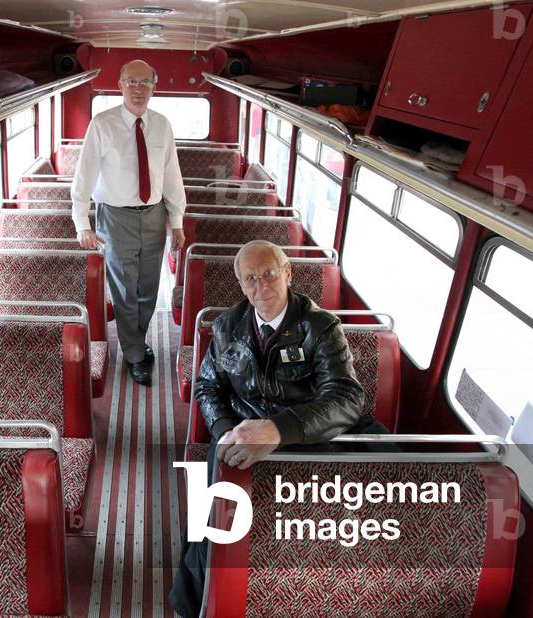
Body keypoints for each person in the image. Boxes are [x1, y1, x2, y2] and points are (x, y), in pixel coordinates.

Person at [169, 239, 388, 617]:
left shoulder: (319, 327)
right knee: (217, 522)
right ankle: (200, 603)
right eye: (250, 279)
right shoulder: (226, 327)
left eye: (269, 274)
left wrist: (278, 430)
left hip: (308, 436)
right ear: (241, 285)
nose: (261, 286)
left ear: (287, 273)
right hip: (242, 435)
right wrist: (224, 430)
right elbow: (207, 386)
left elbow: (346, 398)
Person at [71, 59, 186, 385]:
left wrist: (176, 220)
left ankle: (136, 339)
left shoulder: (162, 125)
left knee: (148, 288)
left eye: (145, 82)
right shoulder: (102, 124)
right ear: (120, 85)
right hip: (115, 216)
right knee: (124, 290)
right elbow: (84, 176)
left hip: (154, 215)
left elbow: (172, 175)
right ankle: (135, 353)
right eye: (132, 82)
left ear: (154, 86)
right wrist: (82, 224)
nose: (138, 89)